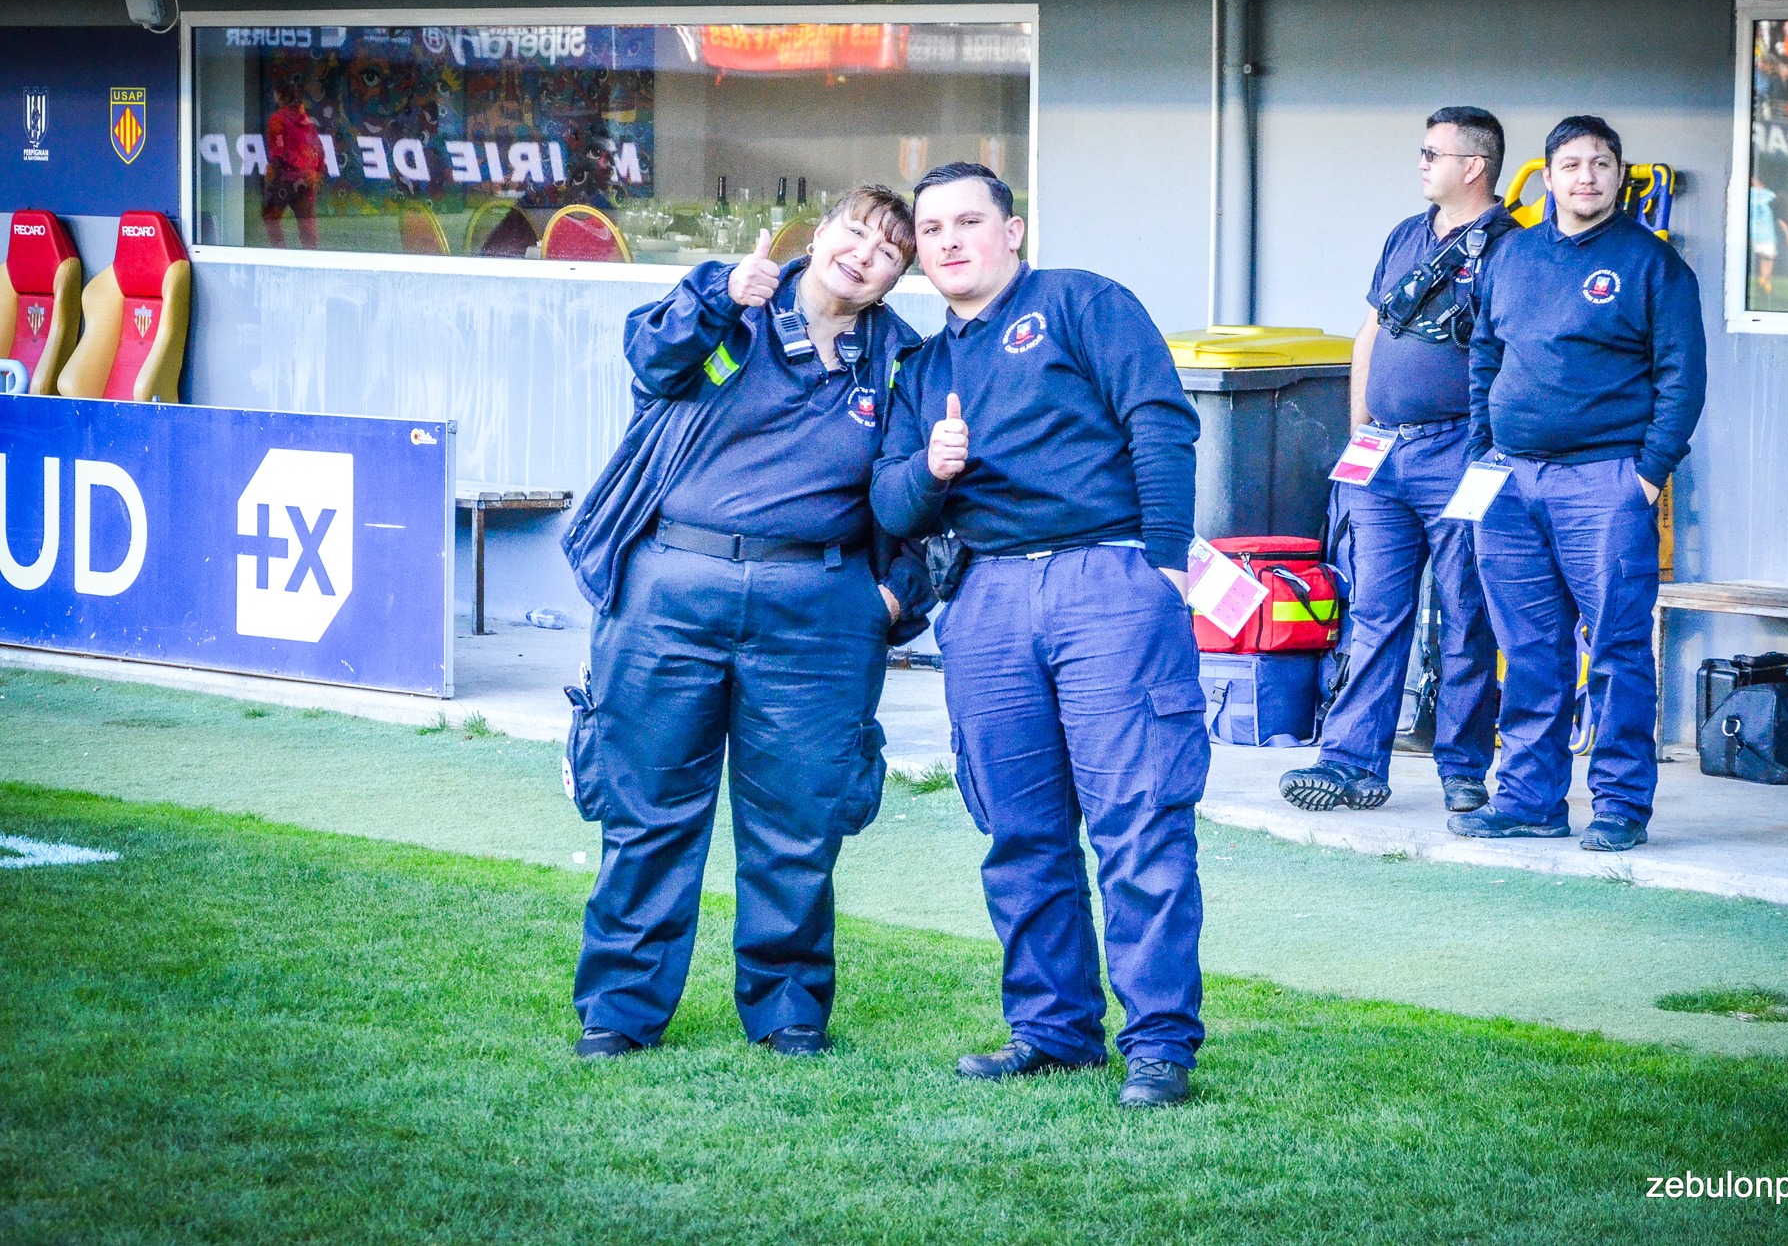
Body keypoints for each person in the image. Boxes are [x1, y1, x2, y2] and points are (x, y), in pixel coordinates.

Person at [557, 187, 935, 1060]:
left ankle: (790, 1008)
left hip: (819, 611)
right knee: (648, 808)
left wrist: (892, 597)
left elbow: (929, 496)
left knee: (799, 821)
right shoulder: (736, 303)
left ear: (897, 277)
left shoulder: (903, 365)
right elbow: (650, 361)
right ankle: (618, 1008)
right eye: (855, 230)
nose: (864, 252)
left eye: (889, 248)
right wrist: (722, 291)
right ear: (823, 231)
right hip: (671, 589)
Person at [870, 162, 1207, 1109]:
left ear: (1013, 232)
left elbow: (1160, 419)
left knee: (1137, 819)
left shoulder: (1082, 302)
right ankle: (1055, 1031)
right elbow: (889, 502)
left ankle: (1159, 1046)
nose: (947, 241)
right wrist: (932, 472)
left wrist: (1166, 560)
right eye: (930, 229)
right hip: (986, 599)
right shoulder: (922, 368)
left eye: (968, 221)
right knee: (1018, 828)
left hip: (1107, 577)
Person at [1457, 114, 1707, 852]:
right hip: (1509, 481)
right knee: (1529, 648)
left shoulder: (1652, 264)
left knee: (1620, 648)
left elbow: (1681, 380)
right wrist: (1483, 454)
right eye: (1571, 164)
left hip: (1607, 482)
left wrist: (1648, 476)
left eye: (1601, 163)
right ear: (1550, 174)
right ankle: (1530, 798)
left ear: (1619, 175)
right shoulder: (1511, 256)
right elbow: (1484, 357)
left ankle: (1621, 806)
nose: (1586, 177)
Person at [1280, 107, 1514, 815]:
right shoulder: (1404, 236)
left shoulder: (1513, 251)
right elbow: (1368, 336)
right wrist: (1359, 436)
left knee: (1465, 617)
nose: (1420, 163)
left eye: (1431, 152)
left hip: (1461, 453)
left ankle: (1463, 769)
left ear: (1473, 166)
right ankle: (1350, 763)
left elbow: (1519, 361)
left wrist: (1491, 454)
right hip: (1384, 453)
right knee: (1376, 612)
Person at [261, 81, 323, 250]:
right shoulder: (307, 121)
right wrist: (316, 172)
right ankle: (311, 255)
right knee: (306, 221)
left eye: (276, 94)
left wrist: (272, 172)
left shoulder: (277, 119)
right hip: (307, 176)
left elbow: (277, 151)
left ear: (281, 96)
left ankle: (280, 252)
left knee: (270, 216)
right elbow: (319, 148)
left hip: (285, 177)